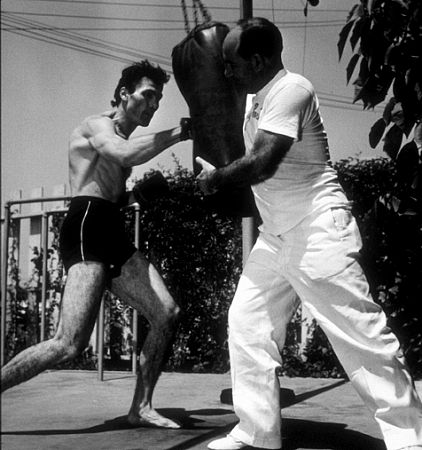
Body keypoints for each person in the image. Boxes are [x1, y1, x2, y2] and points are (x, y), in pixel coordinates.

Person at [196, 18, 422, 450]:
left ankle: (410, 438)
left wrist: (216, 180)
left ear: (259, 60)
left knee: (361, 336)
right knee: (247, 324)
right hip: (277, 235)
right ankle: (257, 431)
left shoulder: (292, 89)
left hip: (319, 229)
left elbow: (263, 161)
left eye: (231, 63)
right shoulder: (256, 99)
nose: (226, 72)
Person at [1, 60, 192, 429]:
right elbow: (120, 155)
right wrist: (179, 133)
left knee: (167, 313)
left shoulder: (124, 138)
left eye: (158, 99)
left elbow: (115, 195)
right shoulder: (97, 125)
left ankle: (142, 407)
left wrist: (139, 195)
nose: (153, 105)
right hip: (87, 225)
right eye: (147, 95)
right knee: (68, 343)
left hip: (110, 228)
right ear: (124, 94)